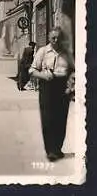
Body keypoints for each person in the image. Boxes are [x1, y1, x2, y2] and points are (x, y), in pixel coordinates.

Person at [29, 27, 75, 162]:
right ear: (49, 38)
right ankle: (50, 151)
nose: (56, 40)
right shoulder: (42, 52)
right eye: (53, 38)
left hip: (62, 87)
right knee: (48, 119)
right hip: (47, 86)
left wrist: (71, 84)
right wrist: (43, 75)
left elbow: (73, 70)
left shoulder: (67, 53)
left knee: (61, 118)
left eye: (58, 38)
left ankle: (57, 149)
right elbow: (32, 70)